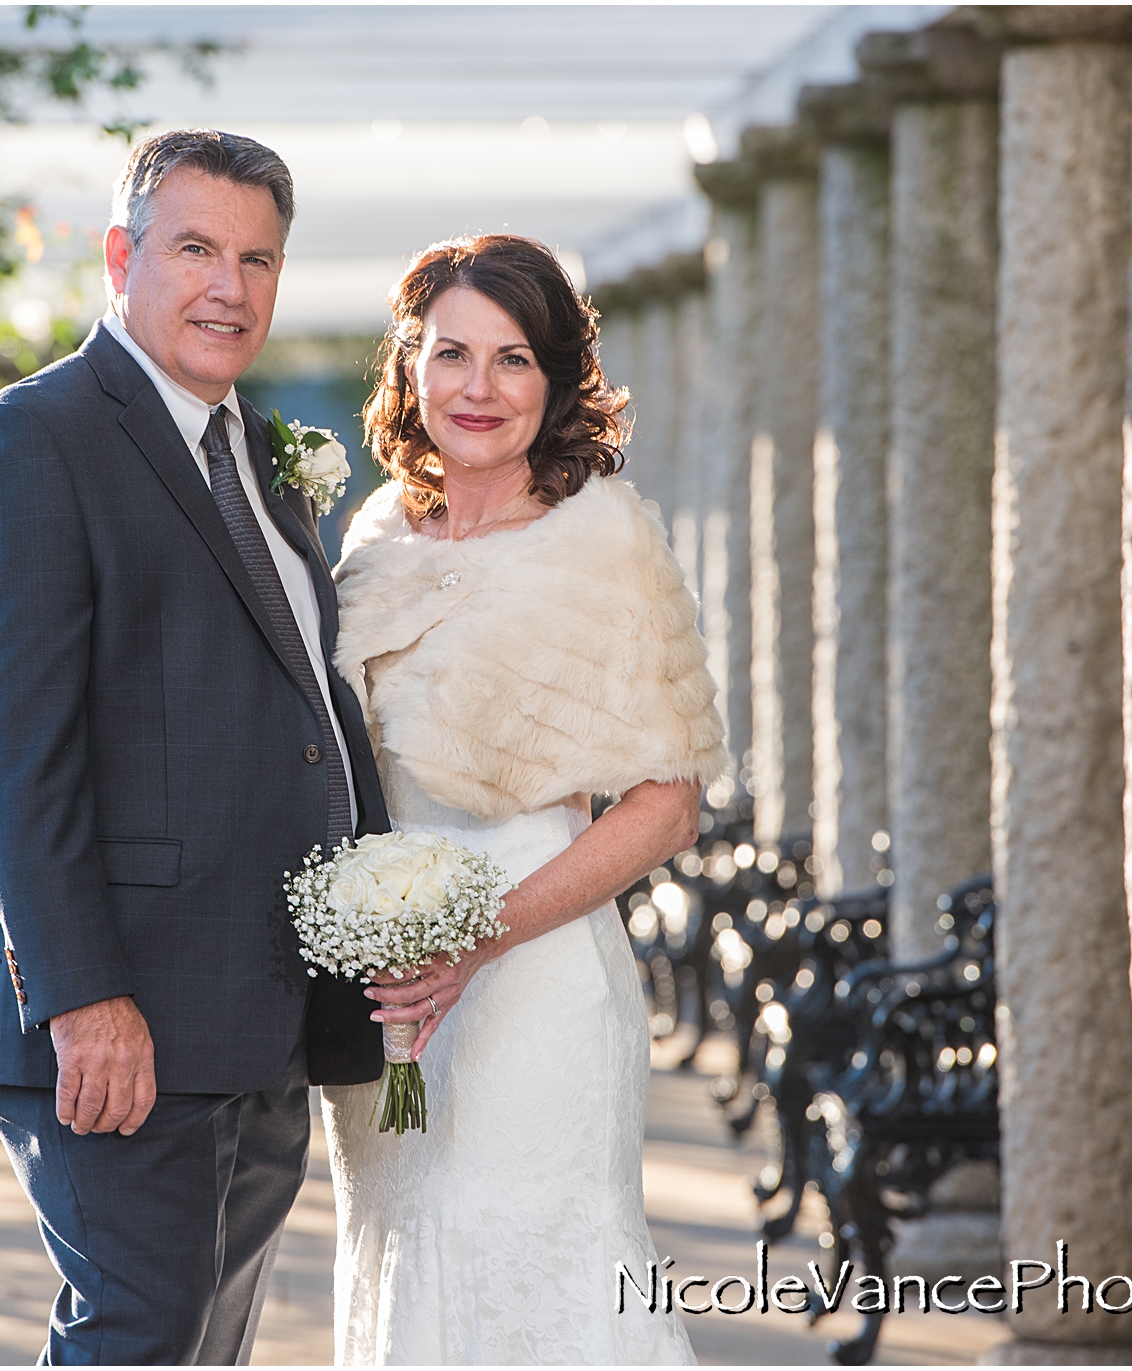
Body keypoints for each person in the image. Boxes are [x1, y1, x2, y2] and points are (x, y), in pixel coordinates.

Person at [0, 128, 389, 1365]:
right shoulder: (36, 442)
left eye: (257, 259)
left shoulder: (252, 459)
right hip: (118, 1018)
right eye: (194, 249)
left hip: (257, 1014)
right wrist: (81, 998)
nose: (228, 288)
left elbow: (300, 723)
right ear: (122, 256)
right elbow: (5, 753)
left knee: (205, 1345)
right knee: (138, 1335)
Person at [321, 234, 727, 1364]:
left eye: (512, 360)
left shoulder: (604, 540)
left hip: (533, 977)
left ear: (555, 382)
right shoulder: (372, 537)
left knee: (530, 1257)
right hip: (389, 986)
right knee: (404, 1250)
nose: (478, 388)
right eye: (452, 354)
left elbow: (665, 806)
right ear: (410, 369)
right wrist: (379, 938)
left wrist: (471, 943)